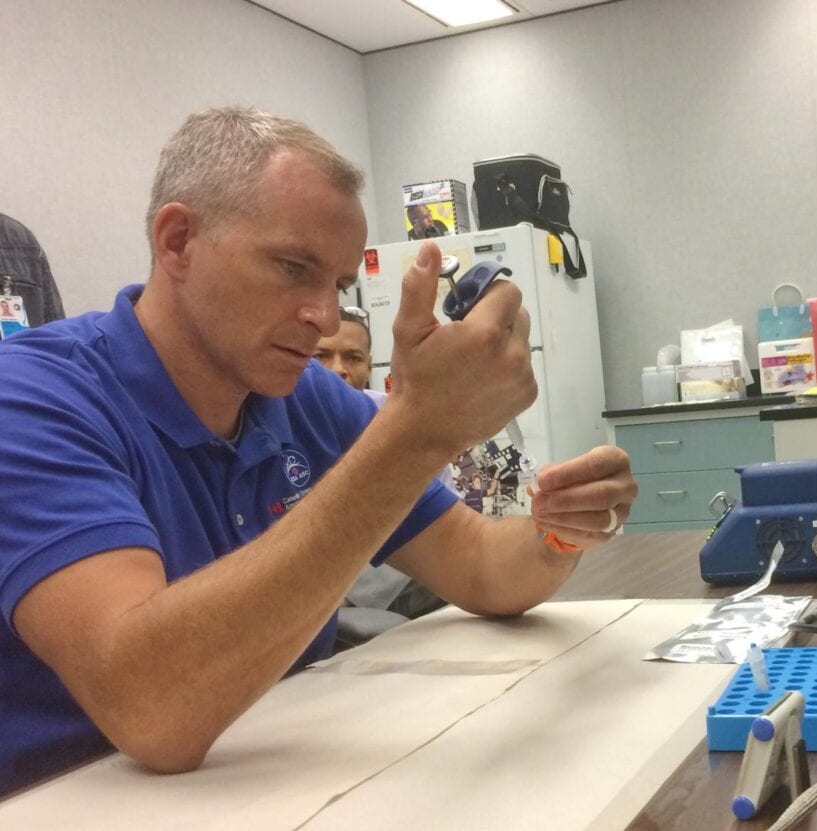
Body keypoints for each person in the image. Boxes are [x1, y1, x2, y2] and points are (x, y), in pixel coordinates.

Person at [0, 106, 636, 795]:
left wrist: (559, 533)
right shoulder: (31, 399)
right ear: (178, 240)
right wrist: (416, 430)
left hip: (268, 781)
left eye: (335, 284)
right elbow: (152, 711)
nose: (325, 319)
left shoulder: (300, 396)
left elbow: (482, 567)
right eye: (291, 267)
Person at [314, 306, 450, 622]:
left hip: (384, 565)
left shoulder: (399, 422)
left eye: (353, 358)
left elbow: (439, 518)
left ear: (370, 366)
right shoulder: (281, 421)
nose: (338, 370)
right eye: (322, 356)